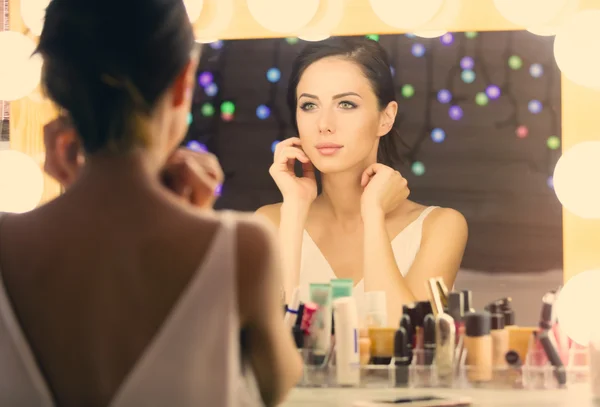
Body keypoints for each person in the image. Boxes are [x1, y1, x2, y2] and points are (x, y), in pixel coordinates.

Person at [0, 1, 301, 406]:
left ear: (57, 85)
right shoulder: (244, 248)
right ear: (182, 83)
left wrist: (82, 195)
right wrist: (202, 233)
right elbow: (278, 388)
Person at [256, 37, 468, 327]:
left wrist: (374, 216)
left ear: (386, 117)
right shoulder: (269, 223)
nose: (324, 124)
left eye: (345, 104)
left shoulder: (440, 227)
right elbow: (263, 345)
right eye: (309, 106)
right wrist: (294, 210)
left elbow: (405, 342)